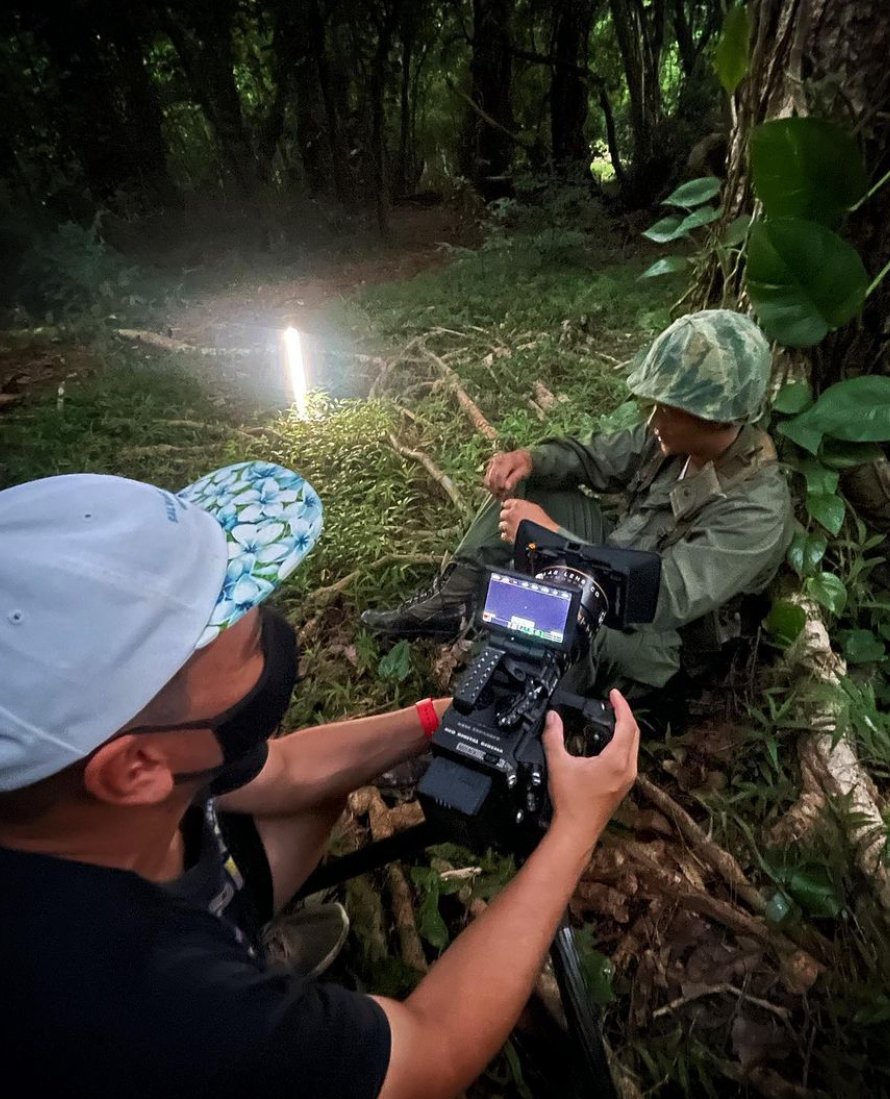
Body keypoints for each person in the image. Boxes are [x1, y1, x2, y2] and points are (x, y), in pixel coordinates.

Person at [0, 459, 639, 1099]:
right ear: (135, 770)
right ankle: (247, 971)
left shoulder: (88, 765)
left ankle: (238, 929)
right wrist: (575, 829)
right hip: (184, 1010)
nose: (270, 629)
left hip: (174, 896)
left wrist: (436, 717)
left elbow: (289, 769)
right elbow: (429, 1052)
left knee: (314, 792)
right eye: (244, 637)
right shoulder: (154, 1007)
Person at [362, 310, 794, 696]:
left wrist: (556, 543)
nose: (651, 419)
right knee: (532, 489)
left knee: (563, 615)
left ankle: (488, 701)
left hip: (660, 642)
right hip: (616, 557)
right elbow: (595, 456)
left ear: (713, 416)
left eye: (666, 408)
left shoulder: (757, 508)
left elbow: (664, 596)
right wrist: (530, 459)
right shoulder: (672, 438)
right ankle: (449, 606)